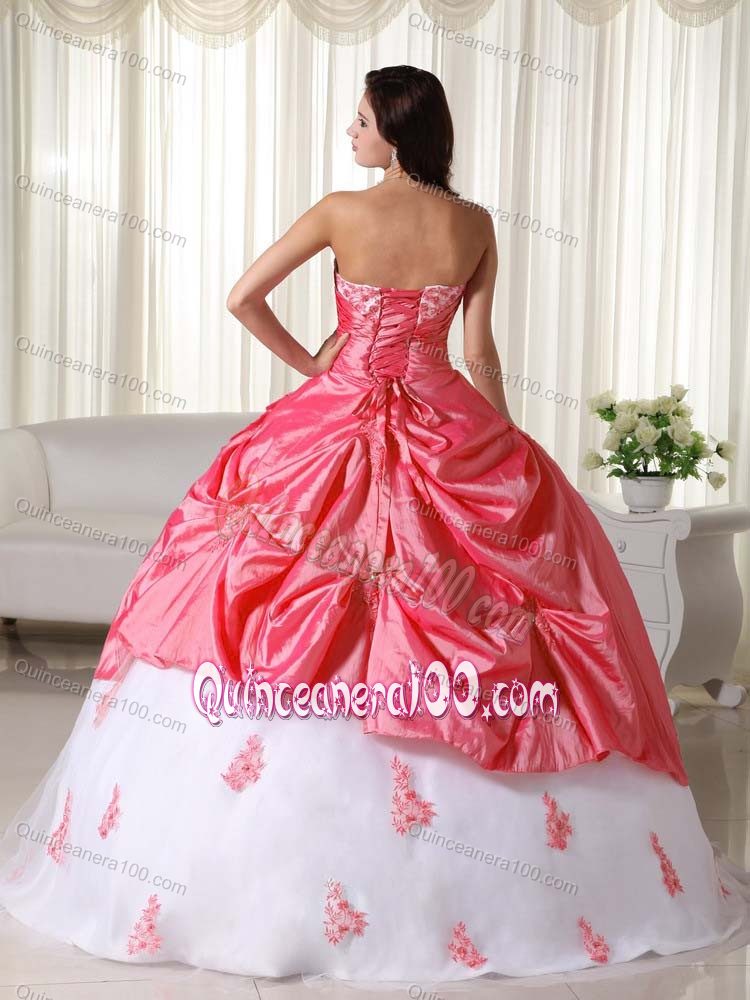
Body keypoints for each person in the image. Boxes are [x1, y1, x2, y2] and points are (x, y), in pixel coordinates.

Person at [1, 64, 749, 987]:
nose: (349, 134)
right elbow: (479, 352)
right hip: (447, 419)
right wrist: (505, 450)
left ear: (395, 129)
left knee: (260, 591)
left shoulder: (340, 212)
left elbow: (242, 297)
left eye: (360, 121)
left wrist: (317, 368)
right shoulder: (473, 225)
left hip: (337, 411)